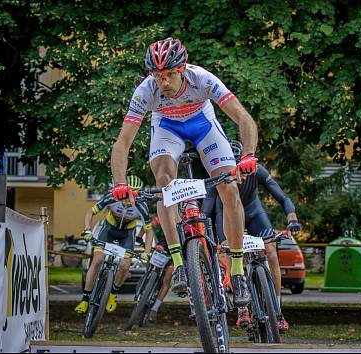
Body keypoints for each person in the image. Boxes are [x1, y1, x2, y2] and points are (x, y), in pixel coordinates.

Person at [110, 37, 258, 307]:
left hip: (203, 124)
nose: (163, 82)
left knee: (229, 186)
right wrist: (120, 182)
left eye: (168, 75)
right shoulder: (145, 92)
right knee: (165, 183)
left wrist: (247, 155)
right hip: (167, 127)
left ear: (182, 69)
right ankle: (179, 262)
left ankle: (237, 270)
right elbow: (122, 142)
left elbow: (243, 118)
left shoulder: (202, 78)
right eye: (157, 76)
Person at [203, 140, 302, 332]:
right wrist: (205, 233)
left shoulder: (257, 170)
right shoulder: (218, 175)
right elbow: (206, 210)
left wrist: (292, 218)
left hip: (254, 212)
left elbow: (283, 198)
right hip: (227, 215)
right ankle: (242, 308)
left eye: (241, 168)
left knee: (271, 251)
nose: (239, 174)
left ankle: (278, 311)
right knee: (229, 253)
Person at [75, 175, 154, 315]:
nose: (131, 200)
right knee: (97, 261)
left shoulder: (141, 205)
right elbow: (90, 212)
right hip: (109, 230)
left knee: (124, 266)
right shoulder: (112, 197)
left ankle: (113, 293)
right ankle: (85, 299)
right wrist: (87, 229)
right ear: (123, 191)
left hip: (127, 233)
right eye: (129, 195)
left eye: (135, 195)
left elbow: (149, 231)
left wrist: (146, 252)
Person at [141, 216, 174, 323]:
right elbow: (149, 224)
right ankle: (145, 283)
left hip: (176, 253)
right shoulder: (166, 215)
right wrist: (140, 236)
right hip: (163, 246)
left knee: (167, 279)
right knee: (151, 263)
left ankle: (154, 309)